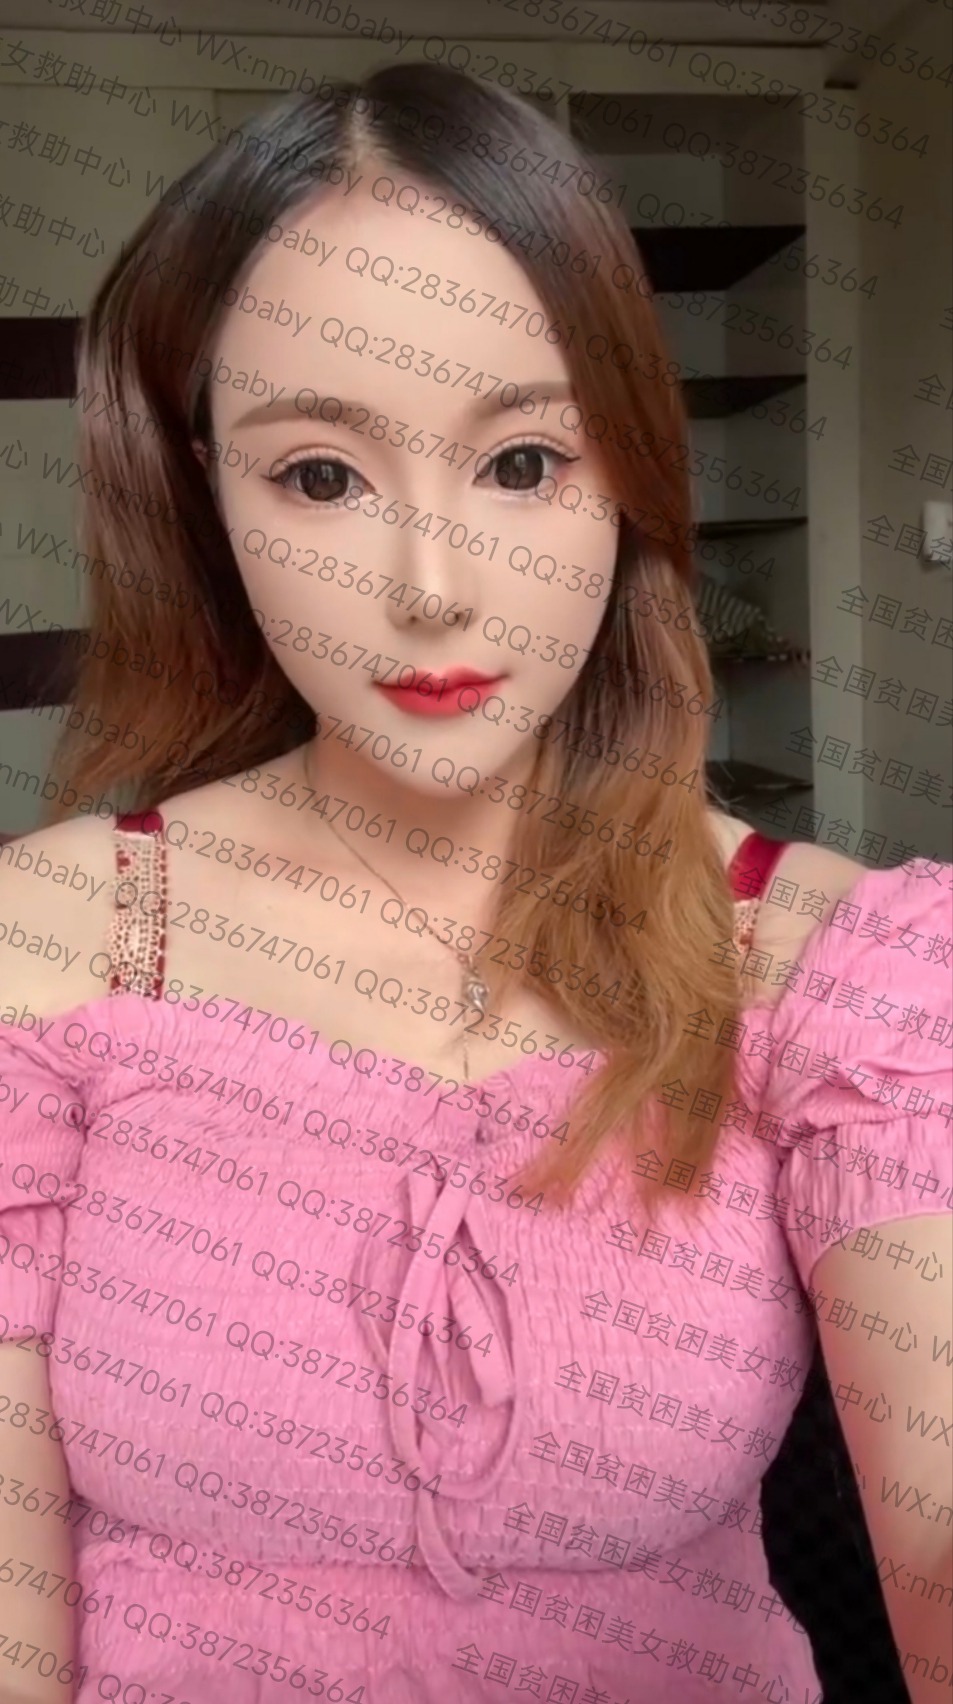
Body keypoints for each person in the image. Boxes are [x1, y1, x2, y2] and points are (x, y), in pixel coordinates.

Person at [1, 63, 950, 1704]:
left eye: (521, 463)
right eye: (319, 476)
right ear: (205, 492)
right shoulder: (50, 943)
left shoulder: (832, 967)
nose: (431, 588)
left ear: (628, 473)